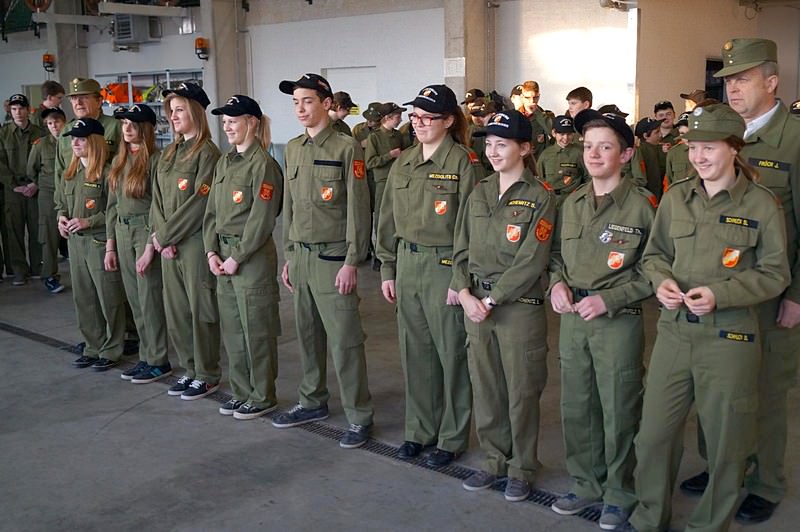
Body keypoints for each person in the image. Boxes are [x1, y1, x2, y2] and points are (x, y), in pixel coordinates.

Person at [623, 103, 790, 532]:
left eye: (709, 147)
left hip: (730, 338)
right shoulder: (677, 197)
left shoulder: (761, 204)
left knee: (726, 446)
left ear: (734, 148)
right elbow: (655, 255)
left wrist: (720, 294)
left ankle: (708, 526)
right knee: (653, 435)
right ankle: (648, 518)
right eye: (693, 147)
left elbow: (775, 272)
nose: (698, 156)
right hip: (675, 332)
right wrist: (661, 281)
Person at [678, 38, 800, 526]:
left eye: (743, 78)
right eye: (728, 79)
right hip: (713, 294)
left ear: (771, 81)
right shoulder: (718, 134)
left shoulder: (794, 141)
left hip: (770, 296)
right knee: (716, 389)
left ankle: (765, 481)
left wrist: (796, 296)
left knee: (764, 392)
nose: (732, 87)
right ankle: (721, 469)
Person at [547, 109, 655, 530]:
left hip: (617, 320)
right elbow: (557, 255)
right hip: (573, 319)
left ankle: (619, 491)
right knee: (577, 405)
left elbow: (655, 270)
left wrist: (610, 299)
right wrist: (557, 283)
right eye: (588, 146)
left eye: (605, 146)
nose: (593, 154)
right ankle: (585, 483)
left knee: (619, 407)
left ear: (625, 155)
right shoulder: (572, 202)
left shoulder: (643, 206)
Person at [377, 84, 483, 466]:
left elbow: (472, 228)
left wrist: (461, 279)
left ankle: (451, 438)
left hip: (444, 267)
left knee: (451, 355)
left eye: (427, 117)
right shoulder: (404, 161)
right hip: (408, 263)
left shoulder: (463, 163)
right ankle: (420, 430)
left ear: (449, 121)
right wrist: (387, 267)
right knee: (415, 353)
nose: (418, 123)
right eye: (414, 117)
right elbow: (386, 218)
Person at [452, 109, 554, 502]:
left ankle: (522, 466)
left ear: (525, 148)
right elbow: (460, 248)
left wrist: (491, 299)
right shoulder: (479, 191)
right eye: (489, 144)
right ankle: (494, 459)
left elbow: (532, 259)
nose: (493, 151)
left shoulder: (541, 197)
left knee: (521, 390)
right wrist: (465, 294)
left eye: (503, 144)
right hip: (475, 305)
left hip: (517, 307)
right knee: (487, 388)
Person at [273, 73, 374, 449]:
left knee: (345, 341)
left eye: (308, 101)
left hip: (333, 259)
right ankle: (312, 400)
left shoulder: (347, 148)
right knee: (308, 335)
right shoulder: (293, 148)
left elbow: (358, 208)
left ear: (327, 103)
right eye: (295, 102)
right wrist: (288, 255)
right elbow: (290, 207)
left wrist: (352, 260)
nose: (300, 109)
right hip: (301, 257)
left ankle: (359, 415)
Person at [204, 95, 283, 420]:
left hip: (250, 259)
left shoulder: (264, 165)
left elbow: (262, 219)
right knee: (234, 331)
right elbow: (211, 212)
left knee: (257, 330)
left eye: (233, 121)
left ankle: (262, 395)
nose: (227, 127)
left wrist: (237, 256)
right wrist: (211, 250)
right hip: (223, 256)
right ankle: (241, 392)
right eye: (224, 122)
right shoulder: (224, 162)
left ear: (251, 122)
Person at [150, 82, 222, 400]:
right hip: (168, 246)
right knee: (177, 311)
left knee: (200, 310)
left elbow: (200, 203)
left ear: (195, 112)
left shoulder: (207, 153)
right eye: (171, 110)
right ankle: (189, 369)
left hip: (192, 243)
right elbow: (156, 198)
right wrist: (160, 237)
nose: (174, 116)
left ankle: (207, 373)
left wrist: (166, 236)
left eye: (180, 109)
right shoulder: (169, 152)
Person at [104, 104, 171, 384]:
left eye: (133, 123)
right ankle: (146, 355)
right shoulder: (118, 162)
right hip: (122, 231)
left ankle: (158, 360)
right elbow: (111, 206)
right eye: (124, 124)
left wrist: (150, 246)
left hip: (145, 230)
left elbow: (159, 205)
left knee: (149, 299)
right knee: (134, 299)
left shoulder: (156, 161)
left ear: (146, 128)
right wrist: (110, 245)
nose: (127, 128)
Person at [56, 118, 126, 370]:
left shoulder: (108, 174)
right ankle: (92, 346)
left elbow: (115, 211)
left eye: (81, 139)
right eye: (73, 139)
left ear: (94, 142)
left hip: (98, 242)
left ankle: (112, 348)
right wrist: (61, 218)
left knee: (109, 298)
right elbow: (61, 203)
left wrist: (89, 221)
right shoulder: (71, 174)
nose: (75, 143)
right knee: (84, 298)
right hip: (76, 245)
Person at [0, 93, 44, 285]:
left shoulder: (40, 133)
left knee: (37, 230)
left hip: (35, 189)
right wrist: (14, 186)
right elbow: (0, 163)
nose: (18, 112)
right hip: (13, 190)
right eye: (14, 109)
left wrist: (36, 184)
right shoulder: (3, 134)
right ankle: (18, 270)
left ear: (28, 110)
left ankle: (37, 267)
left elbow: (46, 162)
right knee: (13, 231)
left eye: (21, 108)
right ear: (10, 111)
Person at [27, 106, 66, 293]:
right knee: (49, 236)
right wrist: (43, 184)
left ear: (64, 122)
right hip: (49, 195)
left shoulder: (73, 141)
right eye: (50, 123)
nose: (54, 126)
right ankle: (49, 275)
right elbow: (31, 170)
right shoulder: (40, 145)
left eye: (57, 122)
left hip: (71, 194)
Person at [365, 101, 404, 271]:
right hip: (382, 182)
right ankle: (380, 255)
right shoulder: (375, 137)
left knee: (396, 216)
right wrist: (389, 155)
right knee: (382, 218)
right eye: (397, 117)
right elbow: (370, 162)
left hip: (398, 180)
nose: (400, 120)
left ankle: (394, 252)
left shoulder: (398, 135)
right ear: (387, 118)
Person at [536, 115, 587, 206]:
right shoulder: (546, 155)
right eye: (562, 134)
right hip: (551, 201)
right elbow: (540, 180)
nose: (566, 138)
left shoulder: (580, 153)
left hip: (573, 201)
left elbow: (588, 178)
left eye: (569, 134)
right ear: (554, 133)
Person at [633, 117, 664, 201]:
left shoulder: (656, 148)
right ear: (645, 135)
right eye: (657, 132)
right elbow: (654, 180)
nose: (660, 135)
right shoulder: (644, 152)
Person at [518, 80, 551, 158]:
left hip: (539, 159)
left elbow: (553, 133)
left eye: (535, 97)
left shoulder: (546, 117)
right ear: (522, 97)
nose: (532, 101)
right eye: (527, 98)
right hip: (520, 159)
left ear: (539, 96)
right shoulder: (515, 117)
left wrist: (538, 113)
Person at [663, 111, 695, 190]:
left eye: (690, 132)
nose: (686, 138)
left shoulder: (707, 152)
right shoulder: (673, 153)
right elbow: (668, 181)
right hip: (679, 196)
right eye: (682, 133)